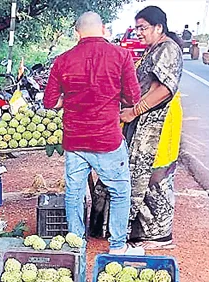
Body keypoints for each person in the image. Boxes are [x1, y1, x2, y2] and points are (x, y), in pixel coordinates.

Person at [43, 12, 144, 255]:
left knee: (74, 194)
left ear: (77, 32)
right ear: (104, 29)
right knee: (120, 192)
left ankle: (77, 245)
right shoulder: (121, 56)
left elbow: (49, 102)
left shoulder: (63, 60)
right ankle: (118, 247)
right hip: (107, 140)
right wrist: (113, 95)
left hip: (75, 141)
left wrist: (68, 99)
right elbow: (133, 98)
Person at [117, 6, 183, 250]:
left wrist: (134, 111)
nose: (139, 33)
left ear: (159, 27)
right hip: (146, 120)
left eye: (143, 28)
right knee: (142, 174)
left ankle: (160, 235)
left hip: (160, 121)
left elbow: (165, 89)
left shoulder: (168, 49)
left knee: (157, 175)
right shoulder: (153, 49)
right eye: (137, 29)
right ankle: (142, 230)